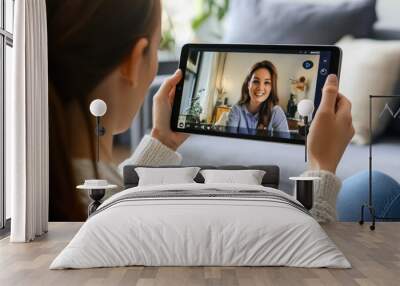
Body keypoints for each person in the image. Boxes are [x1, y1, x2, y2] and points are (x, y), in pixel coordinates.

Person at [47, 0, 354, 223]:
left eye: (266, 83)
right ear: (134, 60)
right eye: (156, 48)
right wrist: (321, 167)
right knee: (373, 186)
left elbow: (118, 192)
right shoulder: (144, 217)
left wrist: (162, 140)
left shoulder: (52, 185)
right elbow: (312, 258)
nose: (260, 87)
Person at [226, 61, 289, 134]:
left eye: (266, 82)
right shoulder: (236, 110)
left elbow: (283, 144)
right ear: (248, 84)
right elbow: (229, 141)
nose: (260, 88)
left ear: (271, 88)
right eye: (256, 81)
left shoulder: (276, 112)